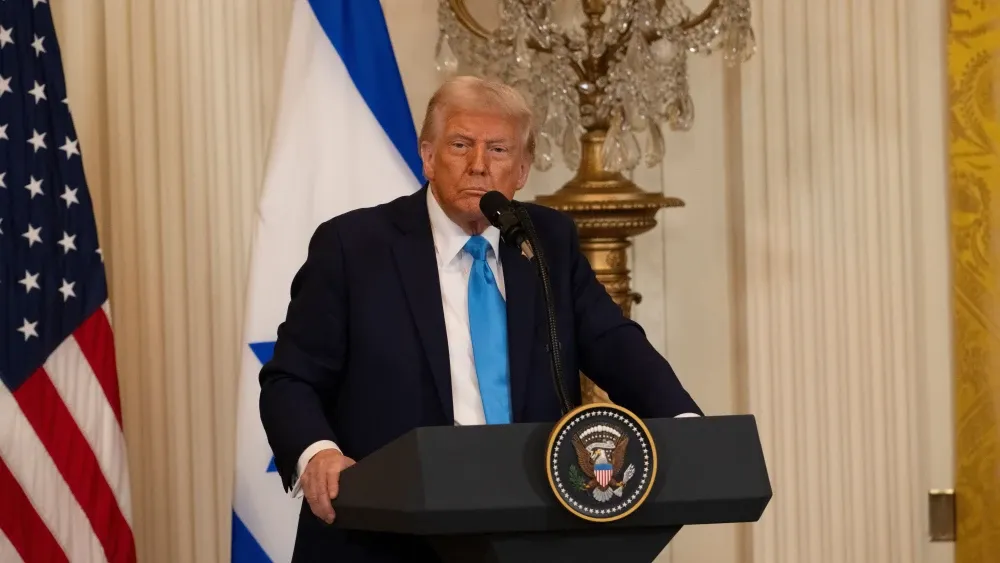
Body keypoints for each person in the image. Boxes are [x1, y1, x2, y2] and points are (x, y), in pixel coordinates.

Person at [258, 75, 702, 562]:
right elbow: (290, 378)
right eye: (460, 145)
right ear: (428, 156)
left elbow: (614, 342)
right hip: (384, 536)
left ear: (522, 170)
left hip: (528, 529)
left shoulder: (547, 240)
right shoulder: (354, 246)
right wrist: (317, 452)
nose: (478, 165)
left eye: (498, 149)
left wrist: (686, 426)